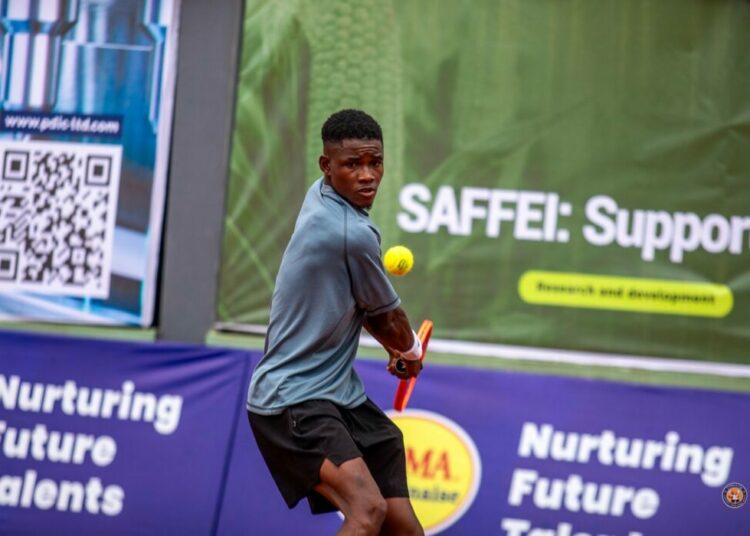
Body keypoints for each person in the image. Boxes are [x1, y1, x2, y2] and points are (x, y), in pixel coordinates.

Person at [247, 109, 425, 535]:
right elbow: (388, 317)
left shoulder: (322, 194)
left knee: (402, 527)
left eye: (375, 163)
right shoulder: (350, 232)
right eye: (352, 165)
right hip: (292, 399)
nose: (367, 176)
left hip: (337, 394)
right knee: (367, 511)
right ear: (326, 165)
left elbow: (365, 306)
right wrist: (410, 351)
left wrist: (395, 345)